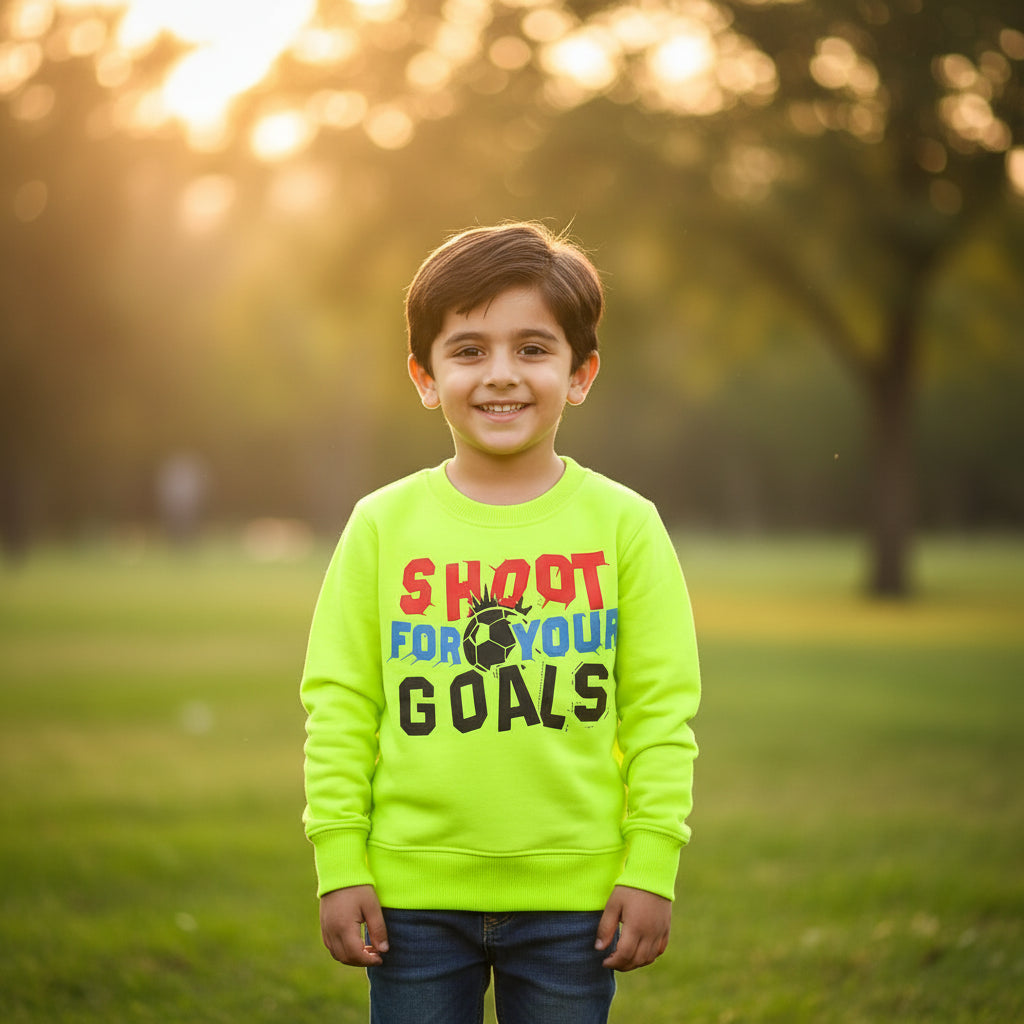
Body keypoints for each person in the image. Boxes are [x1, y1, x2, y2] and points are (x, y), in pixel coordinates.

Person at [301, 222, 700, 1024]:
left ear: (580, 373)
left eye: (533, 348)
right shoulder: (381, 526)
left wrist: (651, 863)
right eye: (469, 350)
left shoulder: (625, 525)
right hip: (412, 897)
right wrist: (340, 859)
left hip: (575, 902)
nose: (501, 374)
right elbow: (340, 705)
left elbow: (660, 712)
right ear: (425, 376)